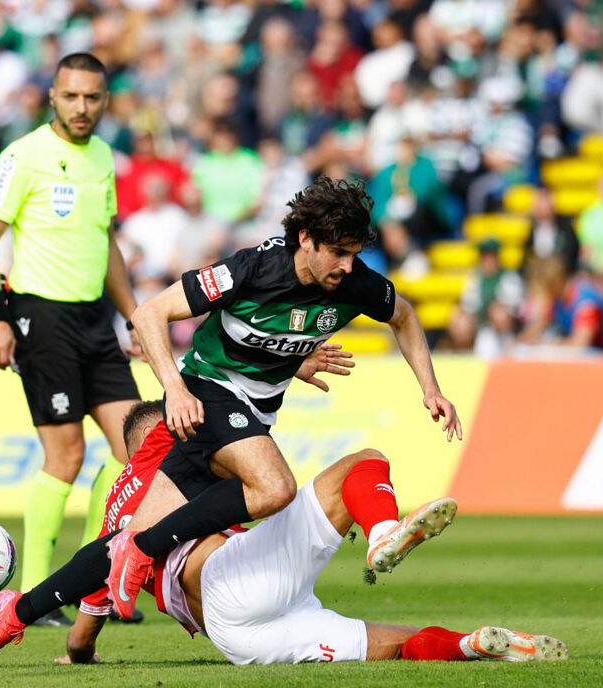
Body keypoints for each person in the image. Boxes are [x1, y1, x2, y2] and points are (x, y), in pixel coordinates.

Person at [107, 176, 463, 620]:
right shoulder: (253, 268)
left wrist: (431, 389)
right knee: (275, 488)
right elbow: (148, 313)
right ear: (306, 239)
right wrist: (174, 390)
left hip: (254, 410)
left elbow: (405, 317)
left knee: (140, 532)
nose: (348, 266)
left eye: (354, 253)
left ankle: (25, 614)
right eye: (338, 252)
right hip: (206, 387)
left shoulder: (352, 282)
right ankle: (141, 548)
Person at [0, 406, 566, 667]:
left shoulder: (117, 515)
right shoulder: (171, 442)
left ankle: (467, 646)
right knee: (363, 461)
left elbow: (83, 627)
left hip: (238, 638)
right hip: (235, 578)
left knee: (396, 643)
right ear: (159, 428)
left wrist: (32, 627)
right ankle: (382, 529)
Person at [0, 53, 142, 625]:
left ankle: (94, 578)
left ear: (105, 100)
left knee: (135, 450)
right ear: (52, 96)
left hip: (94, 319)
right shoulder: (22, 156)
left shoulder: (103, 157)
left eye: (92, 97)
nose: (82, 108)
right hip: (40, 318)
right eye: (71, 97)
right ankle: (37, 592)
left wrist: (134, 315)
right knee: (65, 456)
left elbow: (107, 242)